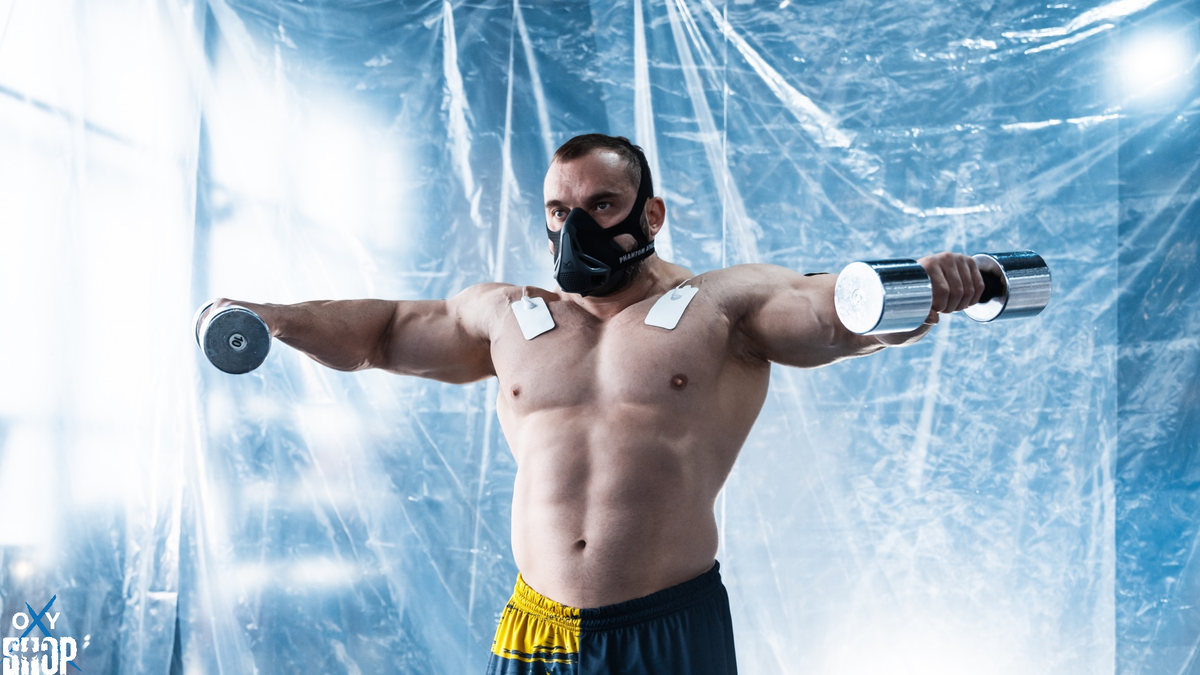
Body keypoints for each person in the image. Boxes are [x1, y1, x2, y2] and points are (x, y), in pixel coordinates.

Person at [200, 134, 985, 674]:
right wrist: (270, 317)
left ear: (651, 215)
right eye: (558, 211)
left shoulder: (725, 306)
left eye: (602, 205)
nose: (574, 227)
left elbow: (831, 317)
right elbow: (382, 331)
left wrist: (915, 293)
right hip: (536, 626)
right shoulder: (510, 316)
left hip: (664, 628)